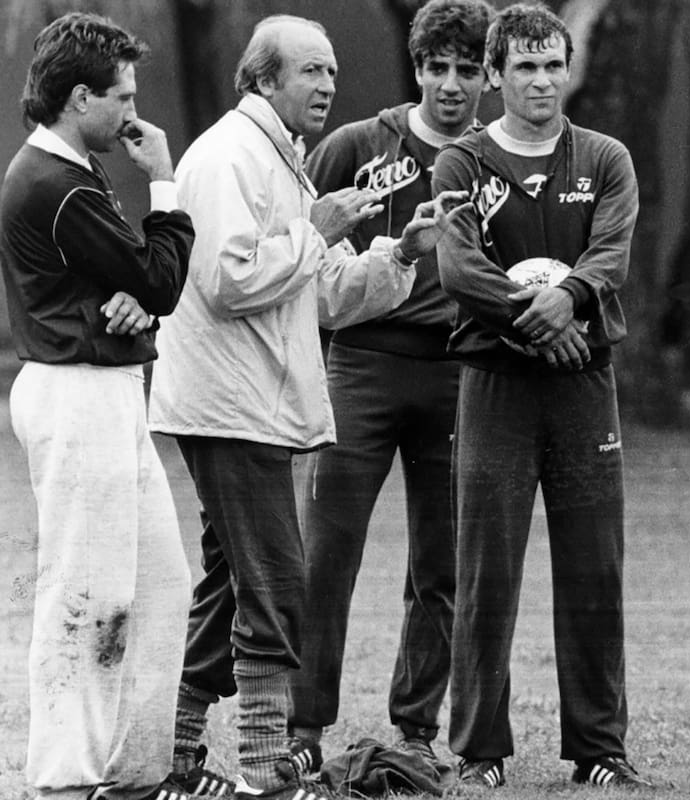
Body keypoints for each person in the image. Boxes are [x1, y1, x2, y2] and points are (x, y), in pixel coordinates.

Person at [146, 15, 469, 800]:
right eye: (309, 73)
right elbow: (227, 280)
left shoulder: (280, 156)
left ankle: (179, 758)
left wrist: (399, 256)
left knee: (231, 587)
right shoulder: (230, 156)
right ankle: (265, 773)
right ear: (263, 79)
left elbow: (320, 293)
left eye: (330, 72)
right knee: (279, 588)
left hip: (258, 403)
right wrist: (314, 231)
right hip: (230, 405)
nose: (328, 85)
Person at [431, 2, 651, 790]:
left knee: (595, 566)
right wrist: (540, 324)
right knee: (487, 566)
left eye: (553, 64)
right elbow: (459, 267)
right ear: (494, 75)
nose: (541, 81)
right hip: (497, 383)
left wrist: (574, 298)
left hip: (584, 386)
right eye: (523, 67)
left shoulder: (605, 158)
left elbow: (612, 251)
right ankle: (480, 751)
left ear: (569, 67)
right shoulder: (462, 163)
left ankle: (599, 749)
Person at [287, 0, 493, 779]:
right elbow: (298, 241)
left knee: (440, 563)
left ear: (488, 78)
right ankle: (304, 726)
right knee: (326, 552)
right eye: (436, 68)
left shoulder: (495, 159)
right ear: (417, 68)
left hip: (457, 373)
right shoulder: (356, 145)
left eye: (466, 70)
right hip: (362, 366)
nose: (449, 84)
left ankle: (415, 727)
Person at [0, 12, 197, 800]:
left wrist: (133, 301)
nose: (134, 114)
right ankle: (61, 781)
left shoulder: (66, 175)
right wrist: (165, 181)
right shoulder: (57, 183)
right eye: (123, 96)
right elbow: (162, 279)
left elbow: (137, 290)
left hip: (102, 389)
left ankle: (131, 774)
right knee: (88, 595)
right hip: (78, 398)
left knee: (159, 585)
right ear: (80, 98)